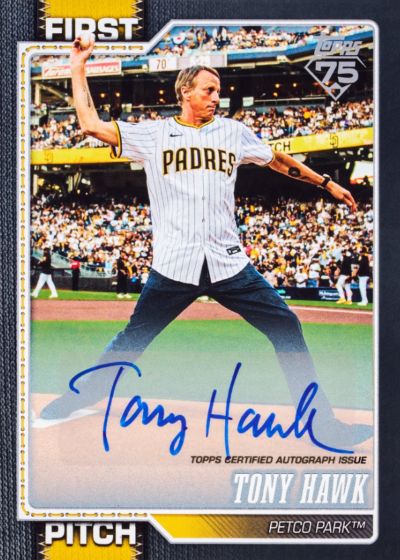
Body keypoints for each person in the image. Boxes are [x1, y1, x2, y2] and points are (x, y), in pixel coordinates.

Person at [41, 36, 372, 450]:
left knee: (286, 325)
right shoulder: (154, 134)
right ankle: (83, 395)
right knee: (132, 339)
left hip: (229, 264)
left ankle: (321, 424)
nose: (217, 97)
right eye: (209, 90)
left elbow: (276, 159)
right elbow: (91, 124)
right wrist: (77, 65)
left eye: (219, 91)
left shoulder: (233, 132)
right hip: (173, 267)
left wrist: (326, 183)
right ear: (185, 92)